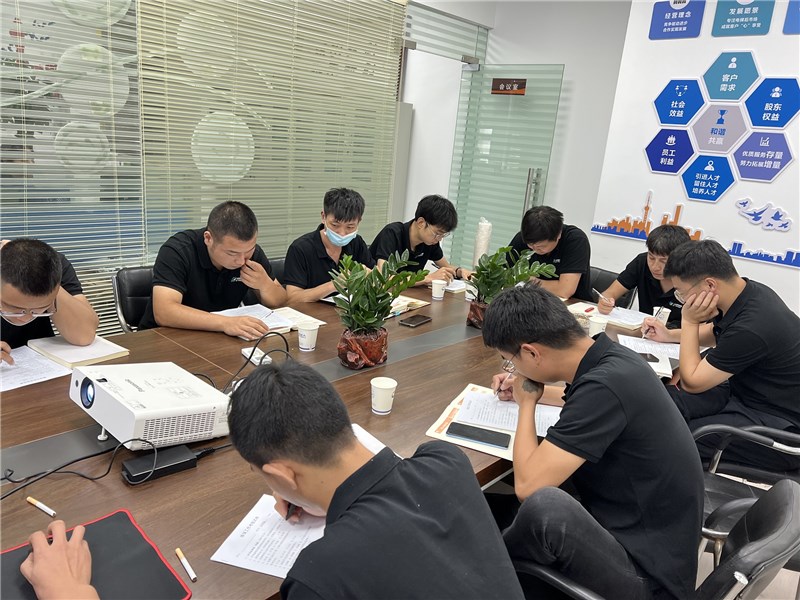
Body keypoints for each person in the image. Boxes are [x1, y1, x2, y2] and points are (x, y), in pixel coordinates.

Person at [20, 362, 525, 600]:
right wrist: (328, 498)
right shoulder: (445, 461)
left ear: (282, 473)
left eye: (266, 481)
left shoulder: (322, 575)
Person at [484, 284, 703, 599]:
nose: (514, 370)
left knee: (541, 507)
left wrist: (528, 403)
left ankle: (484, 577)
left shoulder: (604, 388)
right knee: (488, 507)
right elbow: (581, 399)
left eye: (511, 361)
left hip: (648, 576)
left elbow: (528, 486)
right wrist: (532, 392)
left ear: (532, 352)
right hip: (649, 537)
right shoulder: (612, 359)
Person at [643, 239, 800, 470]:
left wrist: (689, 321)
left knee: (673, 437)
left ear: (709, 285)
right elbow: (719, 332)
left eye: (682, 293)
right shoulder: (748, 292)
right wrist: (669, 335)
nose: (682, 299)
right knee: (662, 402)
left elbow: (692, 382)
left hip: (779, 427)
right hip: (744, 395)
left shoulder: (753, 326)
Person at [138, 201, 286, 339]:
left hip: (216, 337)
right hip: (163, 337)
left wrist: (265, 285)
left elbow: (280, 301)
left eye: (249, 250)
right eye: (232, 253)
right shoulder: (178, 251)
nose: (241, 260)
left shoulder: (251, 254)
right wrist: (225, 323)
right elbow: (164, 312)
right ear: (208, 239)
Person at [1, 238, 98, 365]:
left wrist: (49, 278)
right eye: (15, 308)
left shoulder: (50, 264)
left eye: (39, 309)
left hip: (42, 363)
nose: (26, 317)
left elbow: (84, 335)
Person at [283, 188, 376, 302]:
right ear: (323, 217)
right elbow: (292, 298)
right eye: (335, 225)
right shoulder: (300, 248)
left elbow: (377, 280)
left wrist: (369, 275)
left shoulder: (356, 242)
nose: (342, 233)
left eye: (350, 227)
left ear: (359, 222)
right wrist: (335, 284)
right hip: (312, 312)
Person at [597, 224, 690, 327]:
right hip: (644, 331)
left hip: (680, 334)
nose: (655, 267)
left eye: (664, 261)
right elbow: (610, 293)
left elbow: (701, 329)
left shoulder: (693, 277)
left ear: (680, 259)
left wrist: (668, 334)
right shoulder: (641, 262)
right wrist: (605, 302)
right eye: (651, 257)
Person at [369, 194, 473, 285]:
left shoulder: (430, 242)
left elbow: (446, 267)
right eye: (437, 233)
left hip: (408, 296)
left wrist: (460, 271)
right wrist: (428, 278)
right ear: (421, 223)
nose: (439, 239)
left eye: (443, 235)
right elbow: (384, 277)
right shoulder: (392, 233)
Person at [508, 206, 592, 301]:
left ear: (558, 235)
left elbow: (565, 291)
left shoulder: (575, 240)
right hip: (530, 299)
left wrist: (527, 280)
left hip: (572, 303)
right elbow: (504, 273)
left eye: (541, 247)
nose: (534, 249)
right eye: (530, 245)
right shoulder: (526, 237)